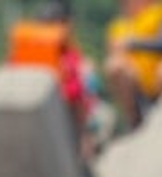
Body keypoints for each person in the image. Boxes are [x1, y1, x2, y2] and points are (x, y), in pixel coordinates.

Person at [7, 0, 101, 163]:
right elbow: (76, 92)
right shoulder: (66, 54)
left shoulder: (25, 49)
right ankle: (86, 145)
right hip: (61, 112)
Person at [103, 0, 162, 130]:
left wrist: (133, 43)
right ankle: (134, 120)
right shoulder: (118, 27)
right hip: (141, 81)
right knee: (115, 66)